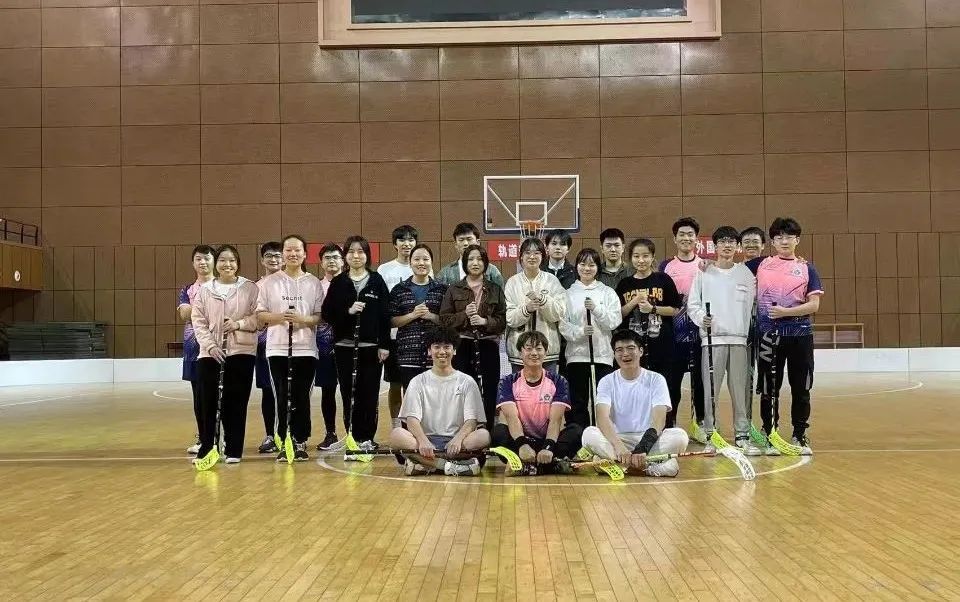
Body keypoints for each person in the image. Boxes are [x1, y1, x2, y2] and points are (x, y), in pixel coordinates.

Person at [745, 218, 823, 456]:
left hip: (800, 336)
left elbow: (814, 305)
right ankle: (771, 433)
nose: (784, 241)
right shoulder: (761, 264)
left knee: (801, 387)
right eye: (779, 237)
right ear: (772, 241)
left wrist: (785, 313)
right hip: (768, 336)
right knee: (769, 388)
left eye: (789, 237)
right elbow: (727, 269)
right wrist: (705, 265)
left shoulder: (807, 268)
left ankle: (799, 434)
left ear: (797, 240)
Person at [687, 227, 761, 455]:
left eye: (731, 242)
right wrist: (702, 319)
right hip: (712, 341)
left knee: (741, 391)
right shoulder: (703, 272)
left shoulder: (746, 274)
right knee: (710, 391)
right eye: (722, 241)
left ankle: (742, 435)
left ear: (737, 246)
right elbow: (693, 304)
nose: (727, 245)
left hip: (739, 340)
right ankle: (712, 435)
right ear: (715, 246)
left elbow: (754, 306)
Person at [580, 329, 689, 477]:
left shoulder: (656, 379)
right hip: (617, 439)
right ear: (614, 354)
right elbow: (602, 418)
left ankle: (616, 464)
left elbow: (659, 420)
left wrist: (643, 447)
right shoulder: (607, 381)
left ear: (641, 351)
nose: (625, 354)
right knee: (589, 434)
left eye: (630, 348)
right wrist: (619, 447)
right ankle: (649, 467)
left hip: (648, 441)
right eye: (619, 350)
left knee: (680, 436)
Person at [255, 234, 325, 462]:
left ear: (305, 254)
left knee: (302, 396)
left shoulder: (313, 283)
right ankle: (284, 439)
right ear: (283, 254)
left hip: (306, 349)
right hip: (277, 348)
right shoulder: (269, 283)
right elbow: (260, 315)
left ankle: (300, 439)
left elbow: (319, 316)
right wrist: (281, 317)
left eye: (297, 250)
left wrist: (302, 319)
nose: (293, 254)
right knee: (282, 395)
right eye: (288, 250)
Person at [389, 325, 491, 476]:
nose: (442, 352)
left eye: (447, 347)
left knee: (483, 436)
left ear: (454, 350)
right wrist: (423, 440)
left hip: (457, 443)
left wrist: (457, 440)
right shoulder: (417, 381)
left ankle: (423, 464)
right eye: (437, 347)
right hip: (426, 442)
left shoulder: (467, 382)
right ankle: (448, 466)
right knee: (396, 435)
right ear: (429, 351)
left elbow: (472, 420)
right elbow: (411, 419)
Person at [321, 235, 391, 452]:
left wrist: (384, 345)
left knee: (369, 394)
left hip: (371, 348)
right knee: (348, 393)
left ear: (367, 255)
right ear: (346, 256)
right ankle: (352, 436)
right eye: (351, 252)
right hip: (344, 347)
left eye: (360, 251)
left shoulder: (377, 280)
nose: (356, 256)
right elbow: (327, 314)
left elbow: (385, 315)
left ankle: (367, 438)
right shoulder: (338, 282)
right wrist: (348, 311)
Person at [191, 245, 260, 464]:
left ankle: (233, 449)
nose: (227, 264)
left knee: (236, 402)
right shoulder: (205, 290)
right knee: (208, 402)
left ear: (238, 263)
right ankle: (208, 447)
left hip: (242, 351)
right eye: (222, 260)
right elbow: (198, 321)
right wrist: (210, 346)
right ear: (216, 263)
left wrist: (239, 324)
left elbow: (259, 318)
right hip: (210, 354)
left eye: (231, 260)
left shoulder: (250, 288)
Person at [492, 331, 582, 473]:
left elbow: (556, 420)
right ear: (520, 353)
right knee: (498, 433)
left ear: (545, 353)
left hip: (549, 441)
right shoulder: (507, 382)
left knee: (576, 432)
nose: (534, 353)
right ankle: (549, 466)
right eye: (528, 348)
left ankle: (527, 466)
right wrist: (522, 445)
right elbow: (511, 418)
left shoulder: (559, 381)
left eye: (539, 349)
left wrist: (548, 447)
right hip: (521, 440)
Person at [440, 244, 507, 430]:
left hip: (488, 344)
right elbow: (444, 320)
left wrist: (485, 321)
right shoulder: (454, 289)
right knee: (462, 390)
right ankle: (464, 431)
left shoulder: (495, 289)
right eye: (470, 259)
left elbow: (503, 320)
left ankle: (487, 431)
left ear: (485, 263)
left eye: (479, 259)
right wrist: (465, 315)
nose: (475, 263)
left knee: (490, 388)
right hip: (462, 344)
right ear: (464, 263)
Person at [615, 238, 681, 413]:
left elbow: (675, 310)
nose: (641, 260)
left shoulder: (663, 279)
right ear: (630, 258)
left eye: (645, 256)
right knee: (635, 388)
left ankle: (665, 422)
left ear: (652, 257)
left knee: (664, 386)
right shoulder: (625, 284)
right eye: (636, 256)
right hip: (633, 348)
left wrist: (653, 308)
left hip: (662, 345)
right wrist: (634, 302)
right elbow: (618, 315)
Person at [559, 248, 621, 428]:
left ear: (597, 267)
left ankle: (604, 434)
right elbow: (563, 325)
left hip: (602, 356)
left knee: (602, 400)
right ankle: (580, 437)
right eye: (583, 264)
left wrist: (596, 309)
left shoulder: (607, 292)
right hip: (576, 357)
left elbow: (614, 321)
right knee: (577, 402)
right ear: (576, 266)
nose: (587, 268)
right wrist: (580, 332)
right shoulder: (568, 294)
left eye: (592, 264)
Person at [660, 217, 707, 443]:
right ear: (675, 238)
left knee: (700, 383)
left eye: (690, 234)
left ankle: (700, 424)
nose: (686, 238)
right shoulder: (666, 266)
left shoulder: (705, 266)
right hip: (674, 336)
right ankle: (669, 424)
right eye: (682, 234)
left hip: (699, 335)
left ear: (696, 239)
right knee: (672, 384)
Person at [389, 244, 447, 391]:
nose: (421, 263)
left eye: (425, 259)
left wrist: (431, 316)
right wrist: (412, 315)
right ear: (410, 263)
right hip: (408, 355)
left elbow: (448, 320)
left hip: (435, 355)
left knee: (436, 398)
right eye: (416, 259)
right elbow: (391, 321)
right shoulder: (399, 290)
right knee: (411, 398)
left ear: (431, 262)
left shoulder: (442, 289)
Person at [378, 225, 419, 429]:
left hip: (416, 337)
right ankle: (396, 426)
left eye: (411, 240)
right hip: (393, 336)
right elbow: (382, 307)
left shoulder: (422, 266)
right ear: (395, 244)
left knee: (414, 385)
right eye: (402, 240)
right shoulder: (384, 270)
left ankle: (414, 426)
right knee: (395, 384)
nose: (407, 244)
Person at [504, 237, 566, 371]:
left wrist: (544, 301)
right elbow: (510, 318)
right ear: (521, 257)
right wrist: (526, 309)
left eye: (537, 253)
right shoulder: (512, 282)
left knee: (548, 385)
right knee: (519, 385)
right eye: (527, 253)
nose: (532, 257)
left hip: (547, 351)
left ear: (543, 257)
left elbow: (559, 314)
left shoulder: (552, 281)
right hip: (519, 352)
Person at [178, 244, 214, 454]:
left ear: (214, 261)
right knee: (199, 398)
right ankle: (203, 438)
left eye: (207, 258)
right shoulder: (187, 289)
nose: (203, 262)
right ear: (193, 263)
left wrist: (197, 311)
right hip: (193, 351)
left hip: (216, 350)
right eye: (199, 258)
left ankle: (219, 438)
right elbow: (184, 314)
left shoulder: (220, 286)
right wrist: (209, 310)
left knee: (218, 396)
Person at [315, 243, 345, 451]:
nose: (331, 261)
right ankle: (330, 433)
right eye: (327, 257)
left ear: (343, 261)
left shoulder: (351, 284)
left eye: (335, 257)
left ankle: (354, 433)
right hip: (324, 346)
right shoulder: (316, 287)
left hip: (348, 346)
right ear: (321, 262)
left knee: (350, 392)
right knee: (328, 390)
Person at [254, 241, 282, 454]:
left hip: (289, 345)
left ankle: (290, 434)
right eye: (269, 256)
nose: (273, 259)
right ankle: (270, 435)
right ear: (262, 260)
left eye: (277, 255)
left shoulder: (292, 284)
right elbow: (254, 317)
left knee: (289, 391)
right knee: (267, 391)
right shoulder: (255, 287)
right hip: (264, 346)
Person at [436, 222, 505, 288]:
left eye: (469, 239)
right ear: (456, 244)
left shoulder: (492, 271)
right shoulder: (445, 273)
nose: (465, 243)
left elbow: (500, 293)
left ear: (478, 242)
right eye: (461, 240)